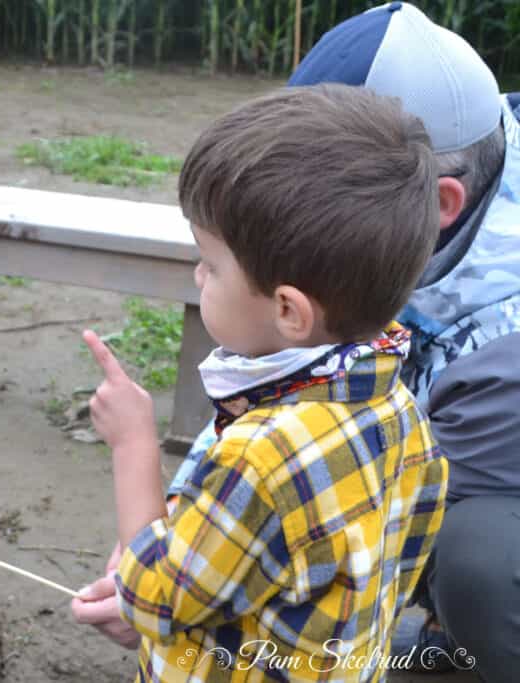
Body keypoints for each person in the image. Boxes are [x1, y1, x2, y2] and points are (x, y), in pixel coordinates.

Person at [77, 4, 520, 679]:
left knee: (480, 558)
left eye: (210, 265)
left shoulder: (500, 350)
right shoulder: (377, 327)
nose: (197, 274)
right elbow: (293, 411)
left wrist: (137, 456)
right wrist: (181, 521)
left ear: (441, 204)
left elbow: (168, 591)